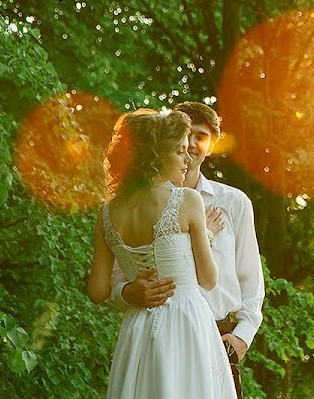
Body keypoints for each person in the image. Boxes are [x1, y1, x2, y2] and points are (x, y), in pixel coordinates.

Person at [106, 102, 264, 398]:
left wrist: (243, 336)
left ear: (211, 145)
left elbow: (250, 278)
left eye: (201, 137)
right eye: (185, 136)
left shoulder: (235, 203)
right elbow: (115, 277)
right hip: (157, 341)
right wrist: (127, 292)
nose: (191, 145)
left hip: (218, 339)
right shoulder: (133, 206)